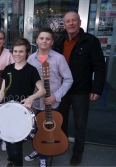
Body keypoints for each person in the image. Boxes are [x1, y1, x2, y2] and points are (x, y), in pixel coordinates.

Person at [53, 11, 106, 166]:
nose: (71, 23)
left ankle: (77, 152)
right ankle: (61, 145)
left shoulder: (90, 41)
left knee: (80, 124)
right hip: (62, 90)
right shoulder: (59, 41)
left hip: (80, 90)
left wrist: (97, 88)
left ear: (79, 22)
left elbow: (99, 66)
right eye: (68, 21)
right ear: (64, 24)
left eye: (74, 20)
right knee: (61, 121)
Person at [0, 38, 46, 166]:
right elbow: (2, 91)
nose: (17, 54)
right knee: (8, 141)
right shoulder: (8, 68)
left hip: (22, 113)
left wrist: (31, 97)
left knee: (16, 145)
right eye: (15, 51)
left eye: (21, 51)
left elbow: (42, 90)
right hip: (7, 111)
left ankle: (16, 164)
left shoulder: (31, 70)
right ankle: (11, 162)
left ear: (27, 52)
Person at [25, 27, 73, 167]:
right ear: (36, 40)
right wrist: (30, 98)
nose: (44, 41)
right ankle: (38, 150)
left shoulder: (59, 58)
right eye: (41, 38)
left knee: (48, 128)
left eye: (47, 39)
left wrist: (56, 96)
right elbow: (28, 82)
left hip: (51, 103)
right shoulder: (30, 59)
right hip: (35, 103)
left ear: (52, 41)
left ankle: (43, 157)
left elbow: (69, 79)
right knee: (35, 129)